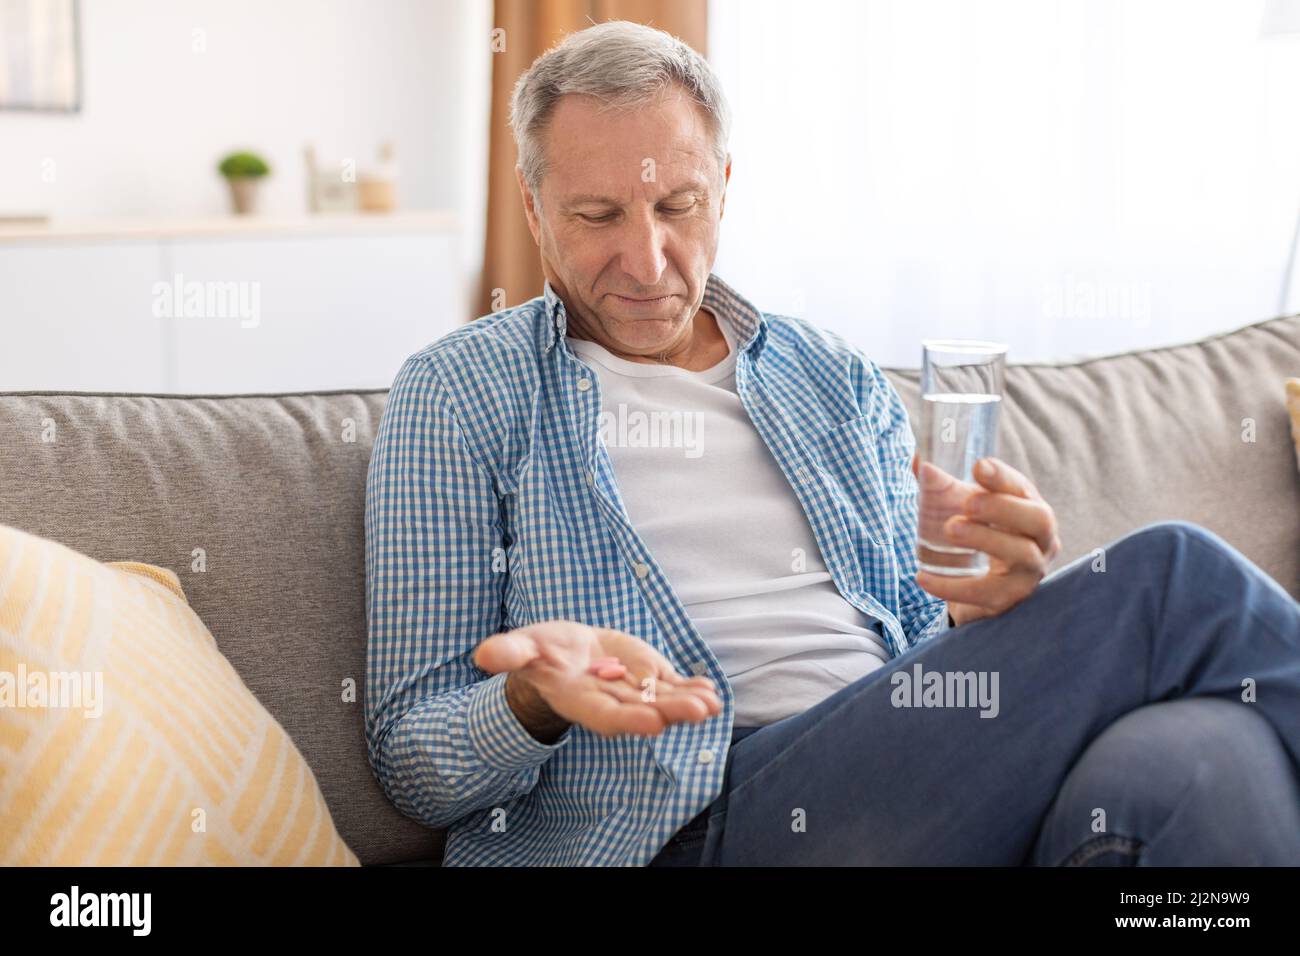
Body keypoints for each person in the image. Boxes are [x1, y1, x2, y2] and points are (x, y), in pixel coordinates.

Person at [364, 20, 1300, 866]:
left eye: (677, 207)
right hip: (688, 826)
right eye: (597, 216)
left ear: (724, 190)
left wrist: (991, 624)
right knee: (1172, 576)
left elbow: (916, 644)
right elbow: (415, 766)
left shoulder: (832, 377)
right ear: (533, 210)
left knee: (1210, 761)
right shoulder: (460, 394)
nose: (646, 261)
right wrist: (533, 700)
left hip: (899, 779)